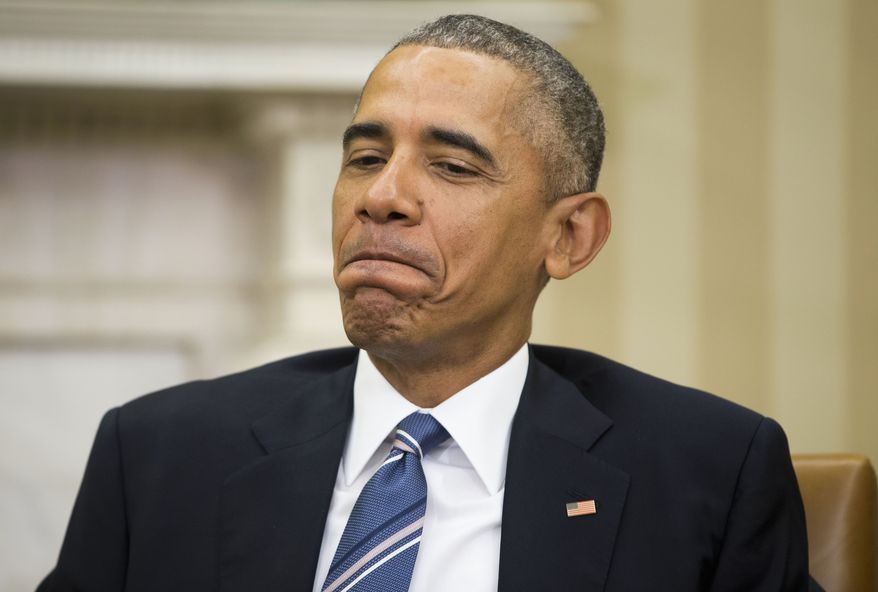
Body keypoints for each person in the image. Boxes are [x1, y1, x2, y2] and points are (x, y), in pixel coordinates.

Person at [38, 14, 817, 592]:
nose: (381, 197)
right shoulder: (157, 457)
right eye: (366, 158)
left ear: (570, 236)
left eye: (451, 167)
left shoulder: (707, 474)